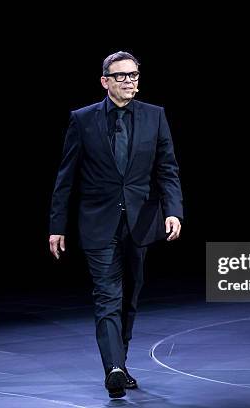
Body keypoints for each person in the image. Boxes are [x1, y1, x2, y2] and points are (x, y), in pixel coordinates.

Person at [48, 51, 184, 398]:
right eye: (121, 76)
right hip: (98, 222)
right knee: (107, 296)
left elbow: (167, 167)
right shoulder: (83, 119)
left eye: (134, 75)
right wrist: (57, 225)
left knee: (130, 298)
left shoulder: (155, 116)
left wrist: (174, 210)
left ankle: (120, 361)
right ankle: (114, 368)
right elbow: (67, 177)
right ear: (105, 81)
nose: (129, 81)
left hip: (140, 222)